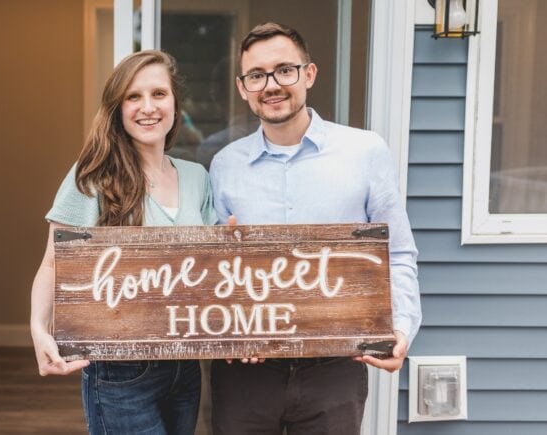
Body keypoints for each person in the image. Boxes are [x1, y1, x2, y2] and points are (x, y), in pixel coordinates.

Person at [208, 22, 422, 435]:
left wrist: (401, 326)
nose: (271, 85)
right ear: (242, 87)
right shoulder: (225, 165)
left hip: (335, 368)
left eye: (284, 70)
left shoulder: (364, 151)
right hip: (247, 374)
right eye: (257, 75)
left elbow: (396, 252)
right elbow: (217, 273)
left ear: (309, 74)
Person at [30, 50, 217, 435]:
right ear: (118, 108)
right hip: (119, 368)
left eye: (158, 94)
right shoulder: (93, 176)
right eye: (133, 97)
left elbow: (214, 269)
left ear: (175, 104)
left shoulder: (197, 176)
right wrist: (38, 328)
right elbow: (53, 262)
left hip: (185, 366)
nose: (147, 107)